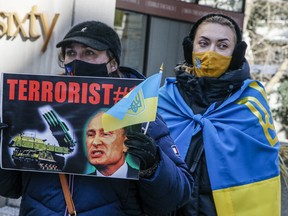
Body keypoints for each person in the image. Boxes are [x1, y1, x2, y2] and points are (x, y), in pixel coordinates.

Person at [0, 21, 193, 215]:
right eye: (70, 53)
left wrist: (154, 165)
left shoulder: (138, 112)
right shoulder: (35, 107)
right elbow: (9, 188)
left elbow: (177, 196)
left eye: (89, 52)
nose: (77, 60)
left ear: (113, 63)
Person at [158, 13, 281, 216]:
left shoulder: (251, 104)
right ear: (191, 48)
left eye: (222, 46)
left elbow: (261, 170)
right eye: (204, 43)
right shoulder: (162, 100)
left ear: (236, 53)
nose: (210, 53)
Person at [85, 110, 138, 179]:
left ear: (126, 144)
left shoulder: (145, 179)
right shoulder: (79, 182)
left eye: (105, 134)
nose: (95, 142)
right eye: (91, 135)